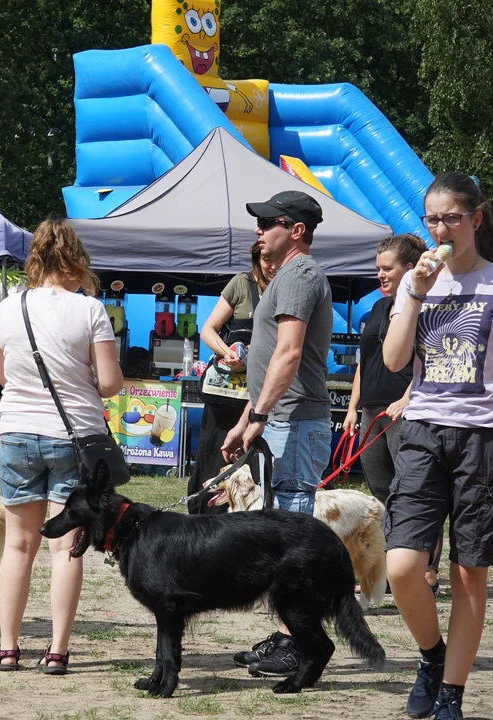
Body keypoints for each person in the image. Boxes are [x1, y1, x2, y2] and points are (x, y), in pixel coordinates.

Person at [382, 172, 493, 720]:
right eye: (432, 219)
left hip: (484, 436)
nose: (441, 229)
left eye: (452, 219)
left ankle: (451, 695)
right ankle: (431, 655)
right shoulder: (418, 284)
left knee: (469, 570)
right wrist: (413, 290)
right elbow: (394, 361)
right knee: (401, 565)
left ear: (475, 220)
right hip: (422, 430)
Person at [0, 218, 123, 672]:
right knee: (66, 548)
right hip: (74, 435)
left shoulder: (7, 308)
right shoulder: (90, 310)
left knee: (17, 546)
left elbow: (4, 378)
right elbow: (108, 384)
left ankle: (7, 647)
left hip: (18, 430)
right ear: (75, 260)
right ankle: (58, 651)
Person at [221, 190, 333, 679]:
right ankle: (288, 636)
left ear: (297, 230)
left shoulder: (300, 274)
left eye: (269, 222)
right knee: (282, 539)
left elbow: (288, 354)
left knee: (293, 542)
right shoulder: (285, 277)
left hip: (294, 419)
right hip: (280, 417)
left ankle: (299, 645)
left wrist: (262, 415)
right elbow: (270, 361)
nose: (258, 230)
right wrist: (248, 417)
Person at [341, 233, 445, 592]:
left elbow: (431, 360)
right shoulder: (376, 310)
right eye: (377, 269)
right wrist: (353, 407)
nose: (380, 276)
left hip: (405, 411)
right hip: (372, 411)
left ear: (409, 269)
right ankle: (389, 569)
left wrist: (407, 397)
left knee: (414, 492)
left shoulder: (424, 305)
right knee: (382, 492)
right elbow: (363, 362)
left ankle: (427, 568)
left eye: (387, 269)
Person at [187, 241, 278, 513]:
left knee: (254, 460)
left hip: (262, 393)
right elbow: (208, 330)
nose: (272, 266)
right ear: (255, 260)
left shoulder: (288, 287)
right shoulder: (241, 284)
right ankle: (207, 516)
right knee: (216, 454)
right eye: (266, 260)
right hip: (227, 395)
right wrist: (228, 353)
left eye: (276, 260)